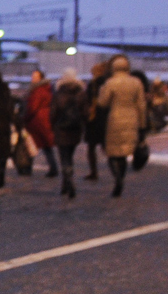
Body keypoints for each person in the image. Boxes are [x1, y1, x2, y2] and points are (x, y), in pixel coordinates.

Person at [97, 54, 146, 198]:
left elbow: (103, 103)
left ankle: (117, 177)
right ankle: (122, 177)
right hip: (132, 119)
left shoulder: (110, 83)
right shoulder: (136, 82)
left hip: (115, 119)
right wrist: (142, 125)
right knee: (124, 153)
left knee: (113, 152)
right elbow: (141, 106)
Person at [50, 68, 88, 199]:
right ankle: (66, 182)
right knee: (70, 155)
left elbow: (53, 113)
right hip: (75, 130)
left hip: (61, 129)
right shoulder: (81, 94)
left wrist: (53, 125)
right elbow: (85, 113)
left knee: (64, 156)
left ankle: (68, 177)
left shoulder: (58, 94)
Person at [25, 69, 59, 179]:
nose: (32, 78)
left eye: (35, 76)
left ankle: (27, 168)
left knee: (30, 145)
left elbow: (32, 108)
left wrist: (24, 118)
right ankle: (53, 168)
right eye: (32, 75)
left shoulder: (38, 91)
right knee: (46, 146)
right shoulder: (46, 88)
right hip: (44, 120)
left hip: (37, 121)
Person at [84, 62, 109, 181]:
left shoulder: (93, 84)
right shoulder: (109, 83)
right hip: (105, 118)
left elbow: (88, 100)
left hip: (93, 119)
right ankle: (115, 168)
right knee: (107, 146)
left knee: (91, 148)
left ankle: (93, 172)